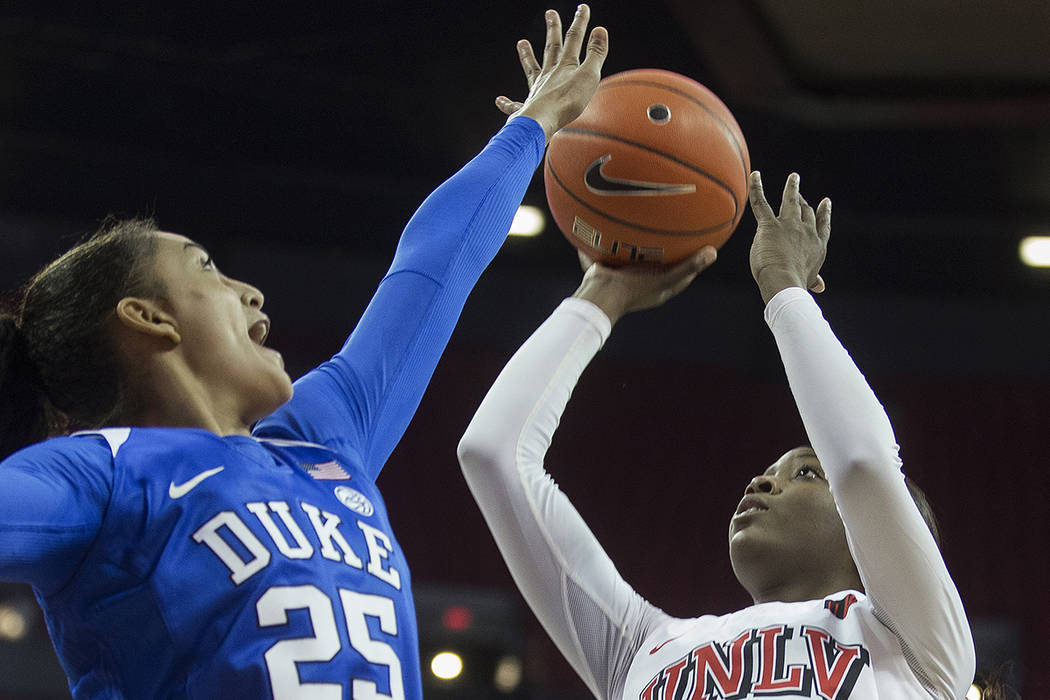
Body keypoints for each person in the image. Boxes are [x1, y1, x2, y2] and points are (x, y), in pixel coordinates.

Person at [0, 6, 607, 699]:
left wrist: (532, 128)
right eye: (207, 269)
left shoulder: (320, 442)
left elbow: (433, 267)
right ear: (147, 318)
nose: (250, 291)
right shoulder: (99, 476)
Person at [458, 172, 976, 699]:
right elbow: (492, 454)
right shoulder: (642, 647)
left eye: (806, 472)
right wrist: (599, 297)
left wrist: (784, 289)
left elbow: (863, 463)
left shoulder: (912, 639)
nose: (761, 483)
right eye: (774, 472)